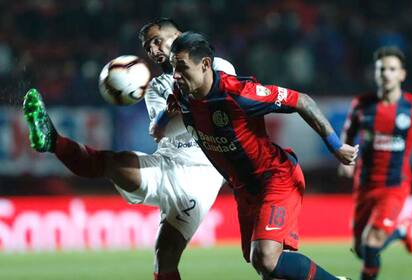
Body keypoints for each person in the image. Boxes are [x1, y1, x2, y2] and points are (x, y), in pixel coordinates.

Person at [23, 18, 236, 280]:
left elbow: (218, 107)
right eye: (148, 47)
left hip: (200, 175)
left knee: (166, 255)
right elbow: (164, 131)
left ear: (179, 35)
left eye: (158, 41)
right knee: (116, 163)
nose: (154, 50)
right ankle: (53, 141)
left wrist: (177, 112)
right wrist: (177, 115)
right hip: (167, 163)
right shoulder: (156, 88)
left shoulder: (216, 65)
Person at [156, 31, 358, 280]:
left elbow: (301, 101)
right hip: (245, 189)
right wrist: (161, 123)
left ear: (205, 64)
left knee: (265, 256)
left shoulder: (239, 93)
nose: (175, 74)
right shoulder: (182, 92)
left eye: (182, 67)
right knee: (267, 269)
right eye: (174, 67)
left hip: (276, 178)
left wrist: (335, 146)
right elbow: (166, 114)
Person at [338, 46, 412, 280]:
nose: (386, 73)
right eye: (381, 69)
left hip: (395, 184)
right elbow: (347, 134)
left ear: (402, 74)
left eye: (392, 69)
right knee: (361, 249)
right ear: (375, 73)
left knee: (372, 242)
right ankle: (401, 231)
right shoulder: (362, 105)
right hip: (364, 183)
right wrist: (343, 158)